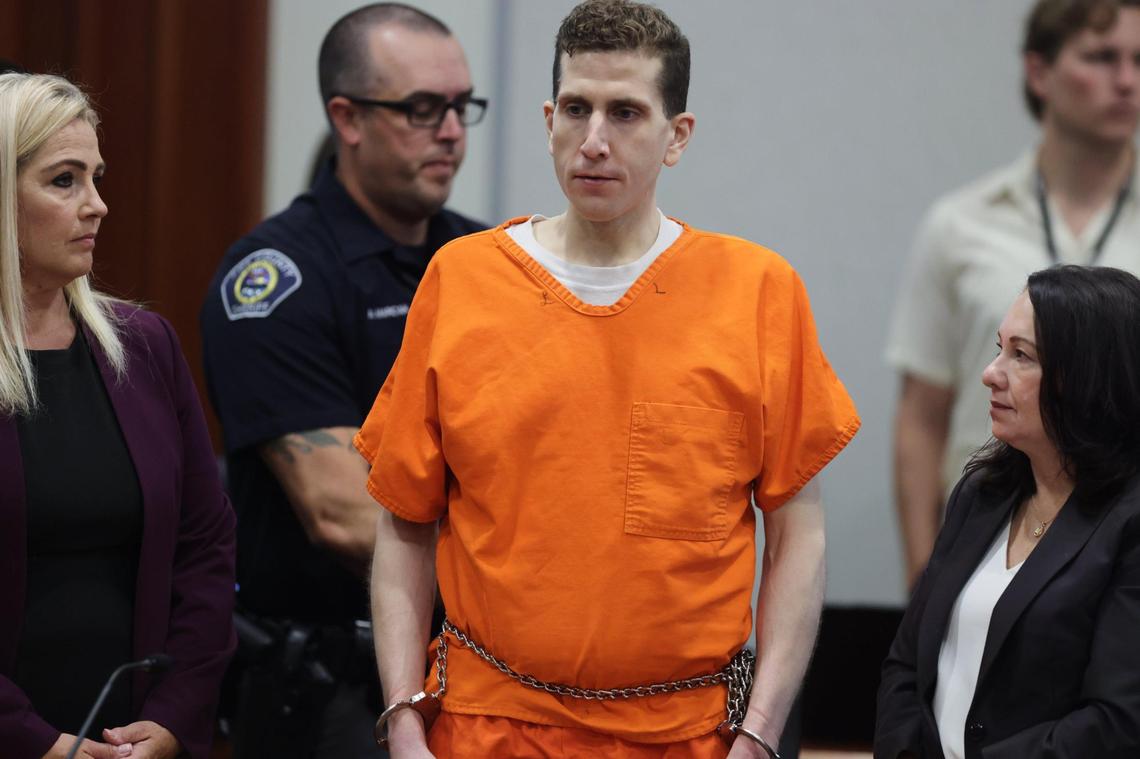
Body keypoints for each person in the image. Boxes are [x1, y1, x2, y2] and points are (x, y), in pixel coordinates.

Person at [355, 1, 861, 756]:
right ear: (548, 119)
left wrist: (759, 734)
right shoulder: (461, 280)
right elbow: (405, 520)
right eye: (578, 110)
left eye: (626, 113)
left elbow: (799, 532)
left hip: (689, 733)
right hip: (485, 726)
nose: (594, 141)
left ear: (677, 136)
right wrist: (402, 715)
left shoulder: (757, 291)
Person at [198, 3, 486, 757]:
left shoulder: (487, 261)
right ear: (347, 118)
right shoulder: (277, 279)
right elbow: (340, 510)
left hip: (476, 668)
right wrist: (536, 555)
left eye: (461, 106)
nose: (452, 131)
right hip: (331, 690)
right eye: (423, 109)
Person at [0, 73, 235, 759]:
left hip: (134, 738)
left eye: (96, 177)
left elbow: (206, 546)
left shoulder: (144, 345)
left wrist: (173, 715)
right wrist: (35, 742)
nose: (98, 205)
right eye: (64, 181)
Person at [886, 0, 1140, 590]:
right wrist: (926, 582)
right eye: (1102, 58)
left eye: (1138, 60)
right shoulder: (960, 225)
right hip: (990, 540)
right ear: (1039, 72)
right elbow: (921, 419)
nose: (1127, 81)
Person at [876, 265, 1140, 758]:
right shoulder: (983, 493)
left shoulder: (1129, 523)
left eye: (1022, 356)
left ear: (1086, 378)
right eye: (1001, 348)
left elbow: (1117, 723)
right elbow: (906, 666)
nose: (990, 373)